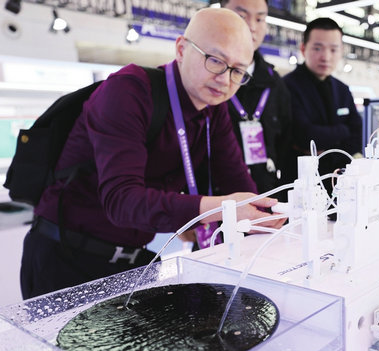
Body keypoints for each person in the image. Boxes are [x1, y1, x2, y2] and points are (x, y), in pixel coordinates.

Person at [20, 8, 284, 300]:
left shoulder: (214, 110)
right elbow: (121, 201)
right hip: (66, 261)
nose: (225, 80)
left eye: (238, 71)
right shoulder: (129, 91)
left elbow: (237, 181)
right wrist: (220, 208)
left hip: (134, 265)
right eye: (215, 61)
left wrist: (268, 214)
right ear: (181, 49)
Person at [221, 0, 293, 201]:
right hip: (216, 203)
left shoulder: (275, 83)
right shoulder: (207, 78)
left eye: (260, 19)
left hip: (267, 197)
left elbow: (285, 144)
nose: (252, 26)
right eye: (241, 16)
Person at [283, 17, 362, 188]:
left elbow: (358, 134)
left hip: (340, 182)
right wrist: (343, 131)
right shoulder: (286, 86)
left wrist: (327, 150)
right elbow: (304, 135)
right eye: (317, 48)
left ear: (341, 51)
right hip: (300, 184)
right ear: (303, 49)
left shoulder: (342, 90)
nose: (326, 57)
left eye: (333, 49)